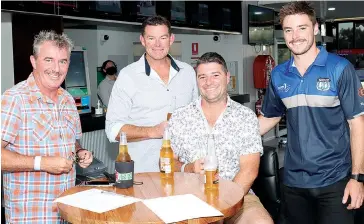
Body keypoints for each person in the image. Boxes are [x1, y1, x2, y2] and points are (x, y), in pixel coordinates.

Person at [258, 2, 364, 224]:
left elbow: (357, 123)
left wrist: (357, 177)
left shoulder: (339, 69)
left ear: (315, 29)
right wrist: (227, 135)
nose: (295, 36)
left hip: (336, 181)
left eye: (302, 28)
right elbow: (270, 116)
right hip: (294, 182)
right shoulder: (278, 75)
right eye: (289, 30)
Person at [169, 52, 274, 224]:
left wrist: (225, 202)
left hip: (239, 195)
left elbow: (249, 171)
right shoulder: (180, 117)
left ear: (227, 77)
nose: (208, 82)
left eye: (215, 75)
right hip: (190, 197)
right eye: (202, 77)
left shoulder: (245, 117)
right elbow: (167, 163)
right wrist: (188, 167)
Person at [1, 30, 93, 223]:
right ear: (34, 62)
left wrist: (80, 152)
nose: (56, 68)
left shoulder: (68, 100)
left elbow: (72, 143)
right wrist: (41, 163)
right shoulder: (15, 99)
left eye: (63, 61)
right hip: (30, 215)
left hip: (65, 211)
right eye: (48, 60)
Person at [105, 15, 198, 173]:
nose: (157, 44)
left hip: (183, 171)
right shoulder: (128, 76)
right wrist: (152, 131)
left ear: (171, 39)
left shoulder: (187, 72)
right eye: (151, 38)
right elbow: (112, 130)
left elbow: (197, 117)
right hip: (144, 172)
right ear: (142, 40)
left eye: (163, 37)